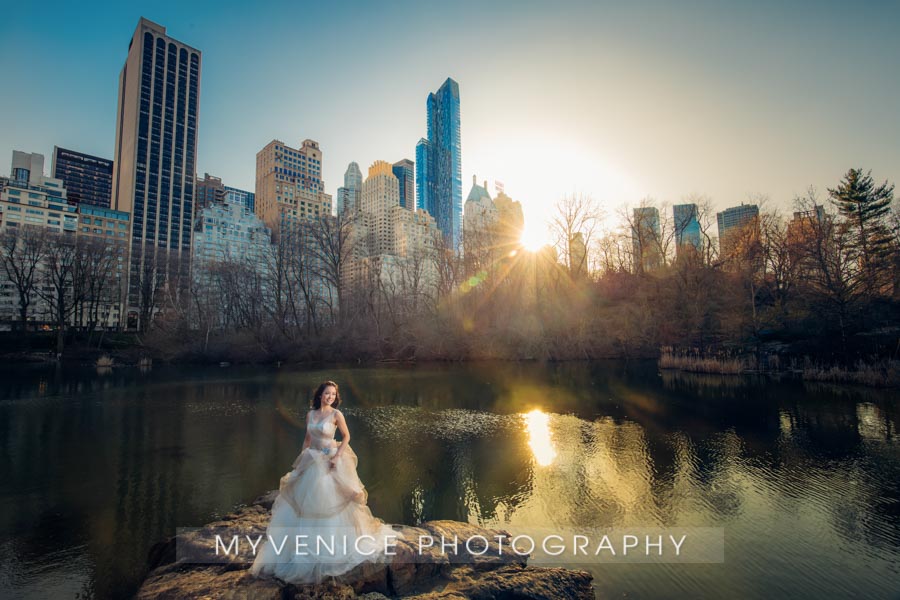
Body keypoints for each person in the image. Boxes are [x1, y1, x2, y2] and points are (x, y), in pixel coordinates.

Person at [250, 380, 399, 583]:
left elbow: (347, 437)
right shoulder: (310, 415)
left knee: (332, 501)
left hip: (330, 459)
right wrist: (301, 461)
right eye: (327, 393)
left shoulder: (337, 415)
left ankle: (332, 547)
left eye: (333, 394)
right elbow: (307, 439)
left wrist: (337, 456)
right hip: (312, 459)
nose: (330, 397)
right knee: (303, 503)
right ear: (320, 395)